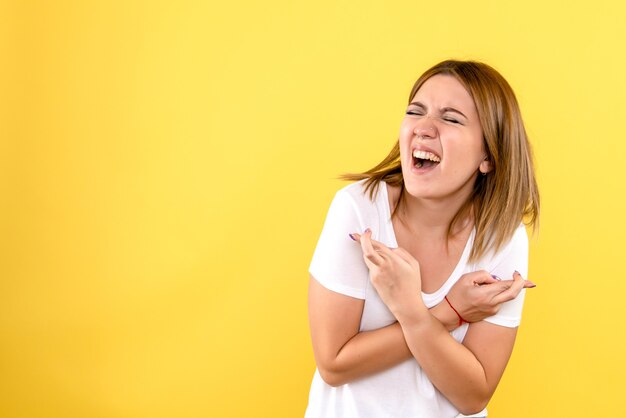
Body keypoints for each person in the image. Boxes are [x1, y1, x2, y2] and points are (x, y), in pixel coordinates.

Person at [305, 60, 540, 418]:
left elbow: (473, 395)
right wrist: (451, 313)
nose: (423, 128)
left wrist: (412, 312)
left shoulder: (503, 238)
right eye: (416, 111)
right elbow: (334, 364)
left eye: (451, 118)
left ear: (488, 156)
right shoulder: (359, 210)